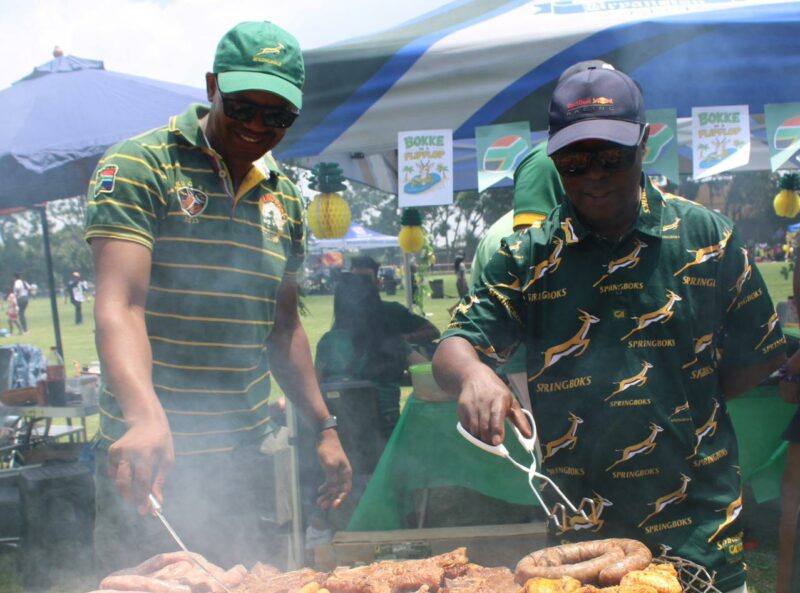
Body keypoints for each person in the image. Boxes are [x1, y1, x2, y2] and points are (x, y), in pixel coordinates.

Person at [433, 64, 785, 593]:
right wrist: (474, 375)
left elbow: (761, 350)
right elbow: (454, 346)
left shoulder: (705, 237)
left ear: (644, 145)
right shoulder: (529, 255)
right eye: (574, 162)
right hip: (583, 531)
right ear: (554, 159)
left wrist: (688, 400)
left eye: (611, 158)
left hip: (698, 523)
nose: (593, 175)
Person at [84, 21, 351, 572]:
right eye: (243, 106)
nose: (257, 125)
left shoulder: (288, 201)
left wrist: (323, 426)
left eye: (276, 116)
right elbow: (120, 304)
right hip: (146, 458)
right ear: (212, 87)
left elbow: (283, 328)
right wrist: (145, 416)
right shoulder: (139, 167)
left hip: (243, 459)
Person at [350, 255, 441, 354]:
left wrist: (401, 340)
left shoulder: (392, 310)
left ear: (377, 283)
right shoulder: (346, 314)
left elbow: (433, 331)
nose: (359, 285)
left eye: (365, 280)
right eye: (354, 280)